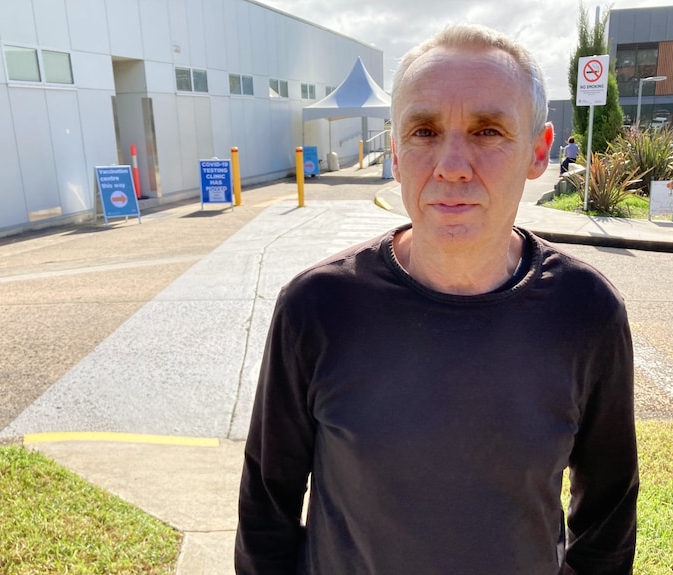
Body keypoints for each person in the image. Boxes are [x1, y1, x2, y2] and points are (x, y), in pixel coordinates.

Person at [236, 23, 638, 575]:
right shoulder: (318, 307)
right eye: (424, 131)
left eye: (488, 130)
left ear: (538, 152)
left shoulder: (586, 312)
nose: (451, 164)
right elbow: (267, 506)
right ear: (396, 151)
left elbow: (608, 514)